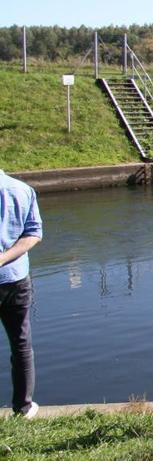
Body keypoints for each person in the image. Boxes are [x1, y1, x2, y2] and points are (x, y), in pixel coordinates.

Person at [0, 169, 43, 419]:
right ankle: (23, 407)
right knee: (21, 344)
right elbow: (34, 233)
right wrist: (5, 257)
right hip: (15, 278)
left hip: (14, 279)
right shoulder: (22, 190)